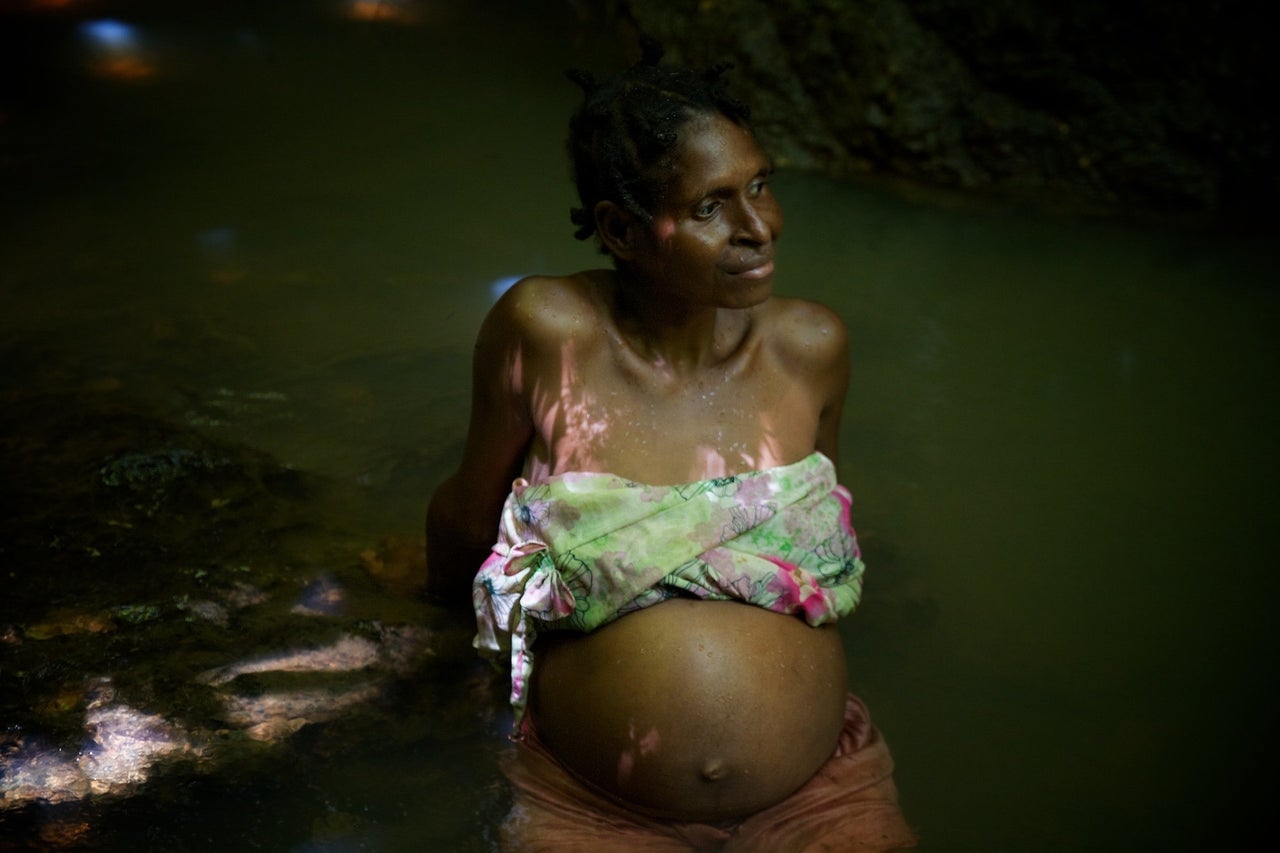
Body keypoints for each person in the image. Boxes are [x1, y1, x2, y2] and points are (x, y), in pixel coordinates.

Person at [426, 41, 916, 852]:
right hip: (589, 807)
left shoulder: (811, 346)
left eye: (760, 185)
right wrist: (427, 655)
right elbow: (468, 516)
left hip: (824, 797)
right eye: (709, 207)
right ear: (620, 230)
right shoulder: (550, 332)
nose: (759, 227)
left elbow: (824, 564)